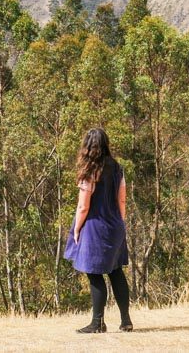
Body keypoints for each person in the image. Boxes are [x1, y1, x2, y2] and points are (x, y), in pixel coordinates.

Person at [63, 128, 133, 333]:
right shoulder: (118, 167)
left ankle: (97, 323)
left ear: (87, 146)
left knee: (94, 273)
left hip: (96, 227)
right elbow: (122, 199)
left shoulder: (89, 171)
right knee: (116, 272)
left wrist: (76, 229)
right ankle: (126, 321)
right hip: (116, 225)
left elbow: (83, 206)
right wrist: (120, 223)